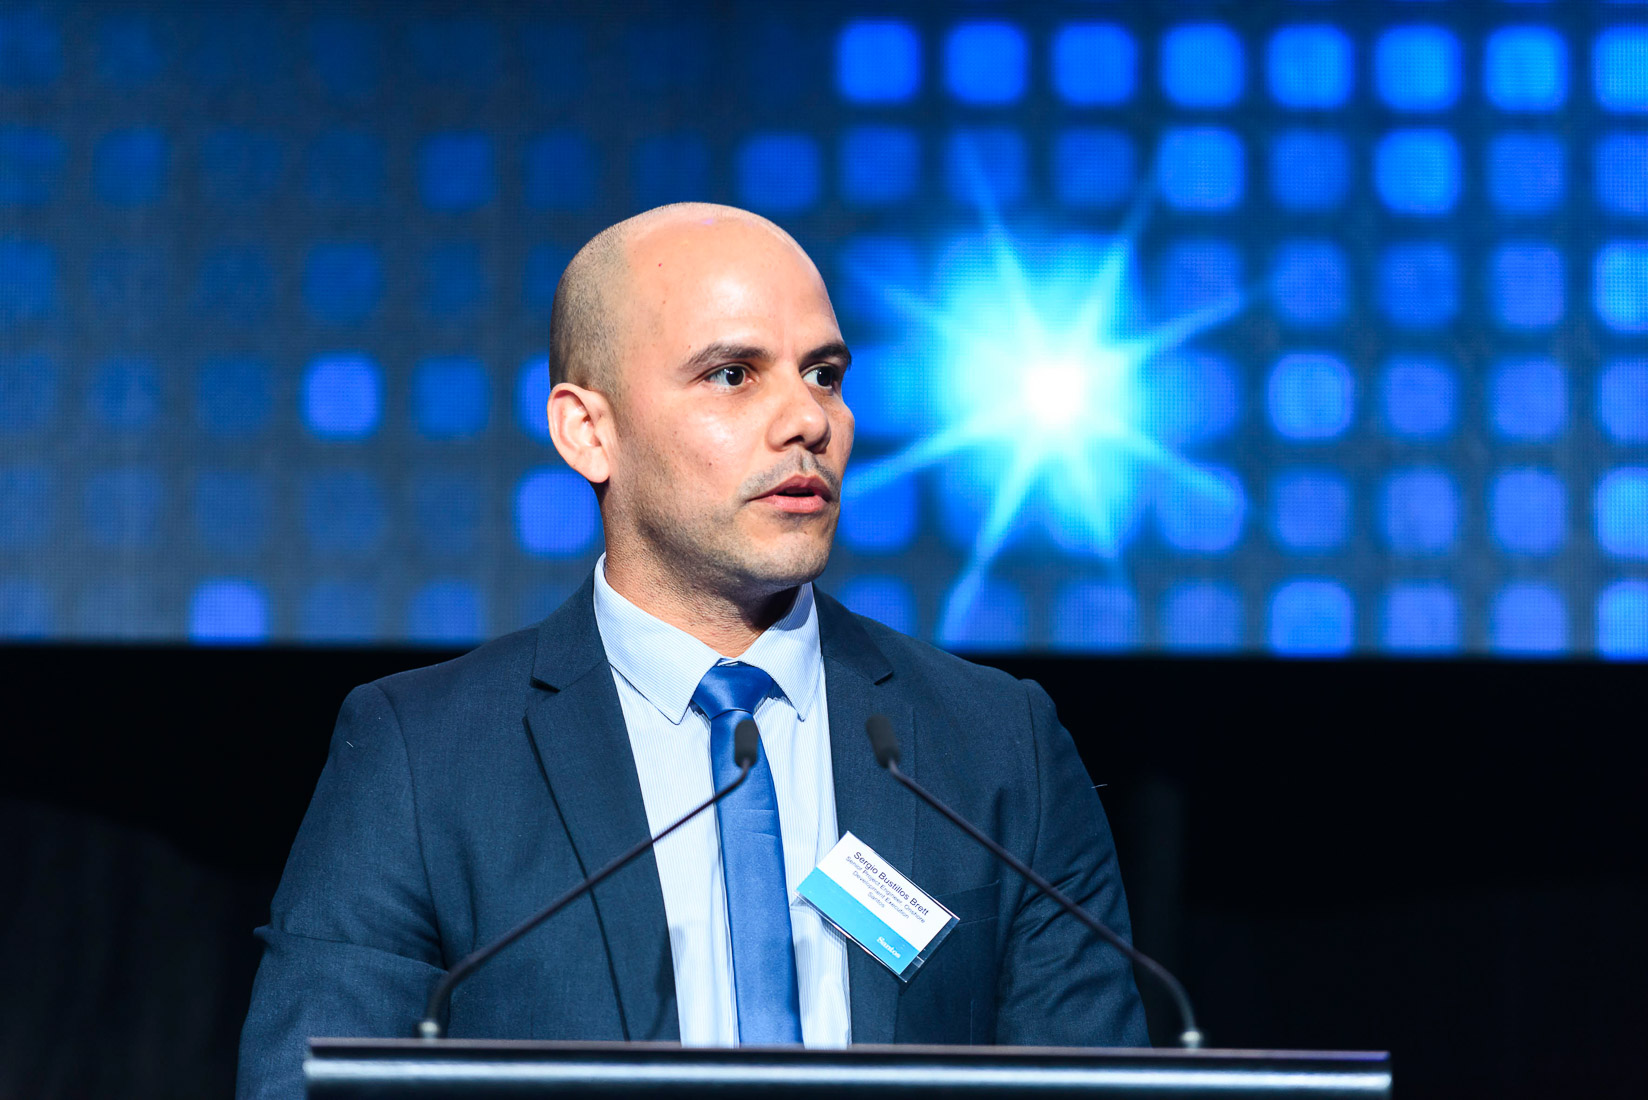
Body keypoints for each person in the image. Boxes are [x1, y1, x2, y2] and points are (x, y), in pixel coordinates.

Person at [236, 203, 1147, 1099]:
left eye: (824, 374)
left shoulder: (997, 745)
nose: (807, 420)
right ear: (588, 432)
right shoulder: (423, 756)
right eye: (733, 375)